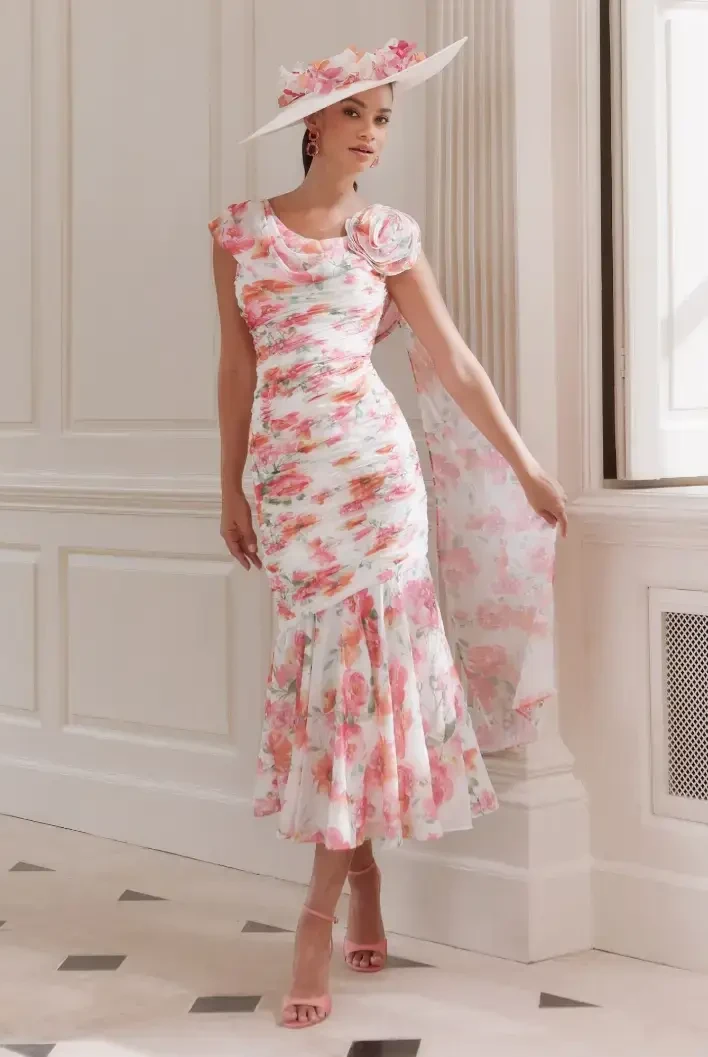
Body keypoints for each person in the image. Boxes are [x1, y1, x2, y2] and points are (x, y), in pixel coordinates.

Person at [209, 37, 567, 1030]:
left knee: (358, 688)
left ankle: (317, 917)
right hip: (290, 487)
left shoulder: (385, 237)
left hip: (374, 480)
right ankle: (364, 878)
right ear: (309, 126)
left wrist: (525, 463)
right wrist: (230, 484)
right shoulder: (239, 235)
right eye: (357, 114)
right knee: (329, 687)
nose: (371, 134)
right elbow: (237, 371)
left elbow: (450, 360)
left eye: (383, 117)